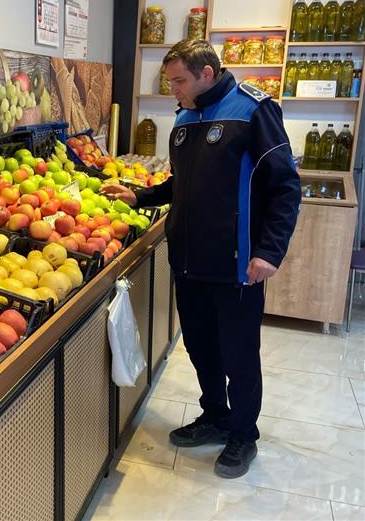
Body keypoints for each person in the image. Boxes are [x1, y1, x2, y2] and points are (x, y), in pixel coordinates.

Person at [102, 39, 300, 479]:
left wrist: (269, 252)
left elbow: (286, 186)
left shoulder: (253, 110)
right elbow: (182, 183)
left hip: (237, 264)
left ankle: (243, 435)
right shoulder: (186, 116)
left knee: (238, 354)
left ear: (206, 74)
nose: (173, 88)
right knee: (201, 347)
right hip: (189, 260)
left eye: (179, 80)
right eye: (170, 80)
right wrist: (139, 195)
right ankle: (216, 415)